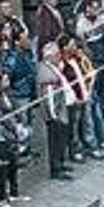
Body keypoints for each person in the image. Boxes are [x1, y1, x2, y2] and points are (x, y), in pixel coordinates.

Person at [0, 72, 30, 207]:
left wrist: (21, 122)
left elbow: (16, 109)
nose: (7, 82)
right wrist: (13, 127)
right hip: (1, 135)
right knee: (3, 167)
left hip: (13, 133)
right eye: (4, 80)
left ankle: (14, 193)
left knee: (13, 164)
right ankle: (2, 197)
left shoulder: (8, 94)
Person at [37, 41, 74, 181]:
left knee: (62, 139)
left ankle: (61, 162)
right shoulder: (46, 73)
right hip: (55, 114)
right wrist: (53, 115)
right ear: (48, 57)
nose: (59, 56)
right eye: (57, 54)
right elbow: (49, 98)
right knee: (55, 142)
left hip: (60, 110)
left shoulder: (53, 67)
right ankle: (56, 168)